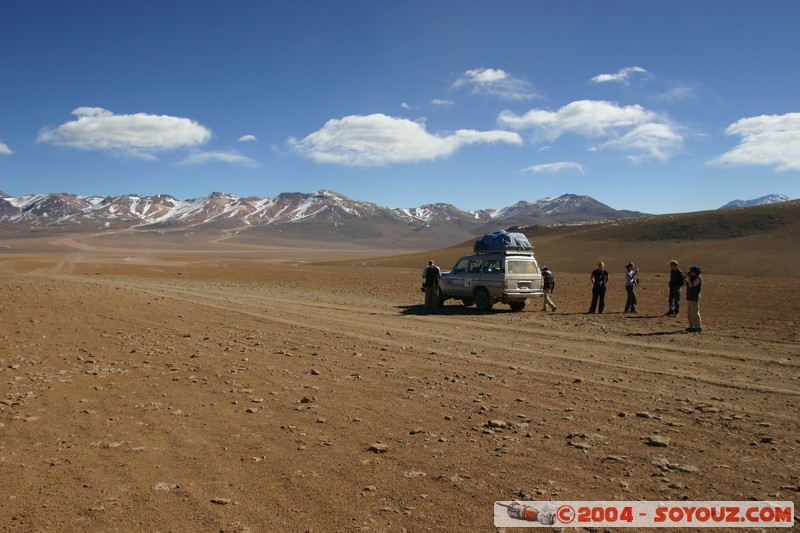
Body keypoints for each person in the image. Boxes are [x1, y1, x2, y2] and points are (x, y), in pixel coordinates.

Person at [685, 265, 703, 332]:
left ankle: (698, 327)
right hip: (690, 297)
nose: (690, 273)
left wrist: (688, 278)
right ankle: (691, 326)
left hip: (694, 298)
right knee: (689, 314)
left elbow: (691, 285)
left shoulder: (698, 278)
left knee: (694, 313)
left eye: (692, 272)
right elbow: (687, 285)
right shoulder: (692, 278)